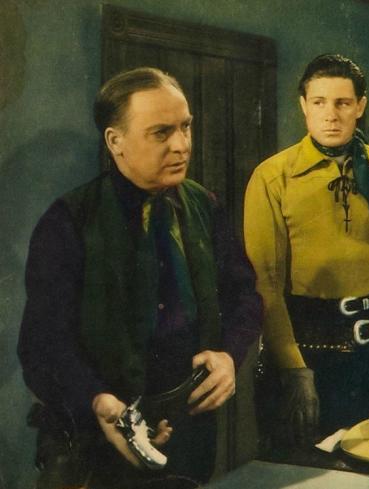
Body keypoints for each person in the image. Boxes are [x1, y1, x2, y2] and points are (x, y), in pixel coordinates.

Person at [17, 67, 263, 488]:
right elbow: (42, 346)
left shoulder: (205, 206)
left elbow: (245, 297)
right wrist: (97, 401)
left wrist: (229, 356)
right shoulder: (69, 222)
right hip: (96, 446)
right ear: (116, 142)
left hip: (188, 440)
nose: (181, 145)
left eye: (186, 127)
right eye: (161, 133)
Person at [244, 54, 369, 450]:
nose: (331, 115)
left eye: (343, 103)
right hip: (307, 359)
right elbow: (265, 284)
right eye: (319, 102)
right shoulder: (273, 177)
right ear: (303, 106)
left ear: (360, 106)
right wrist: (295, 371)